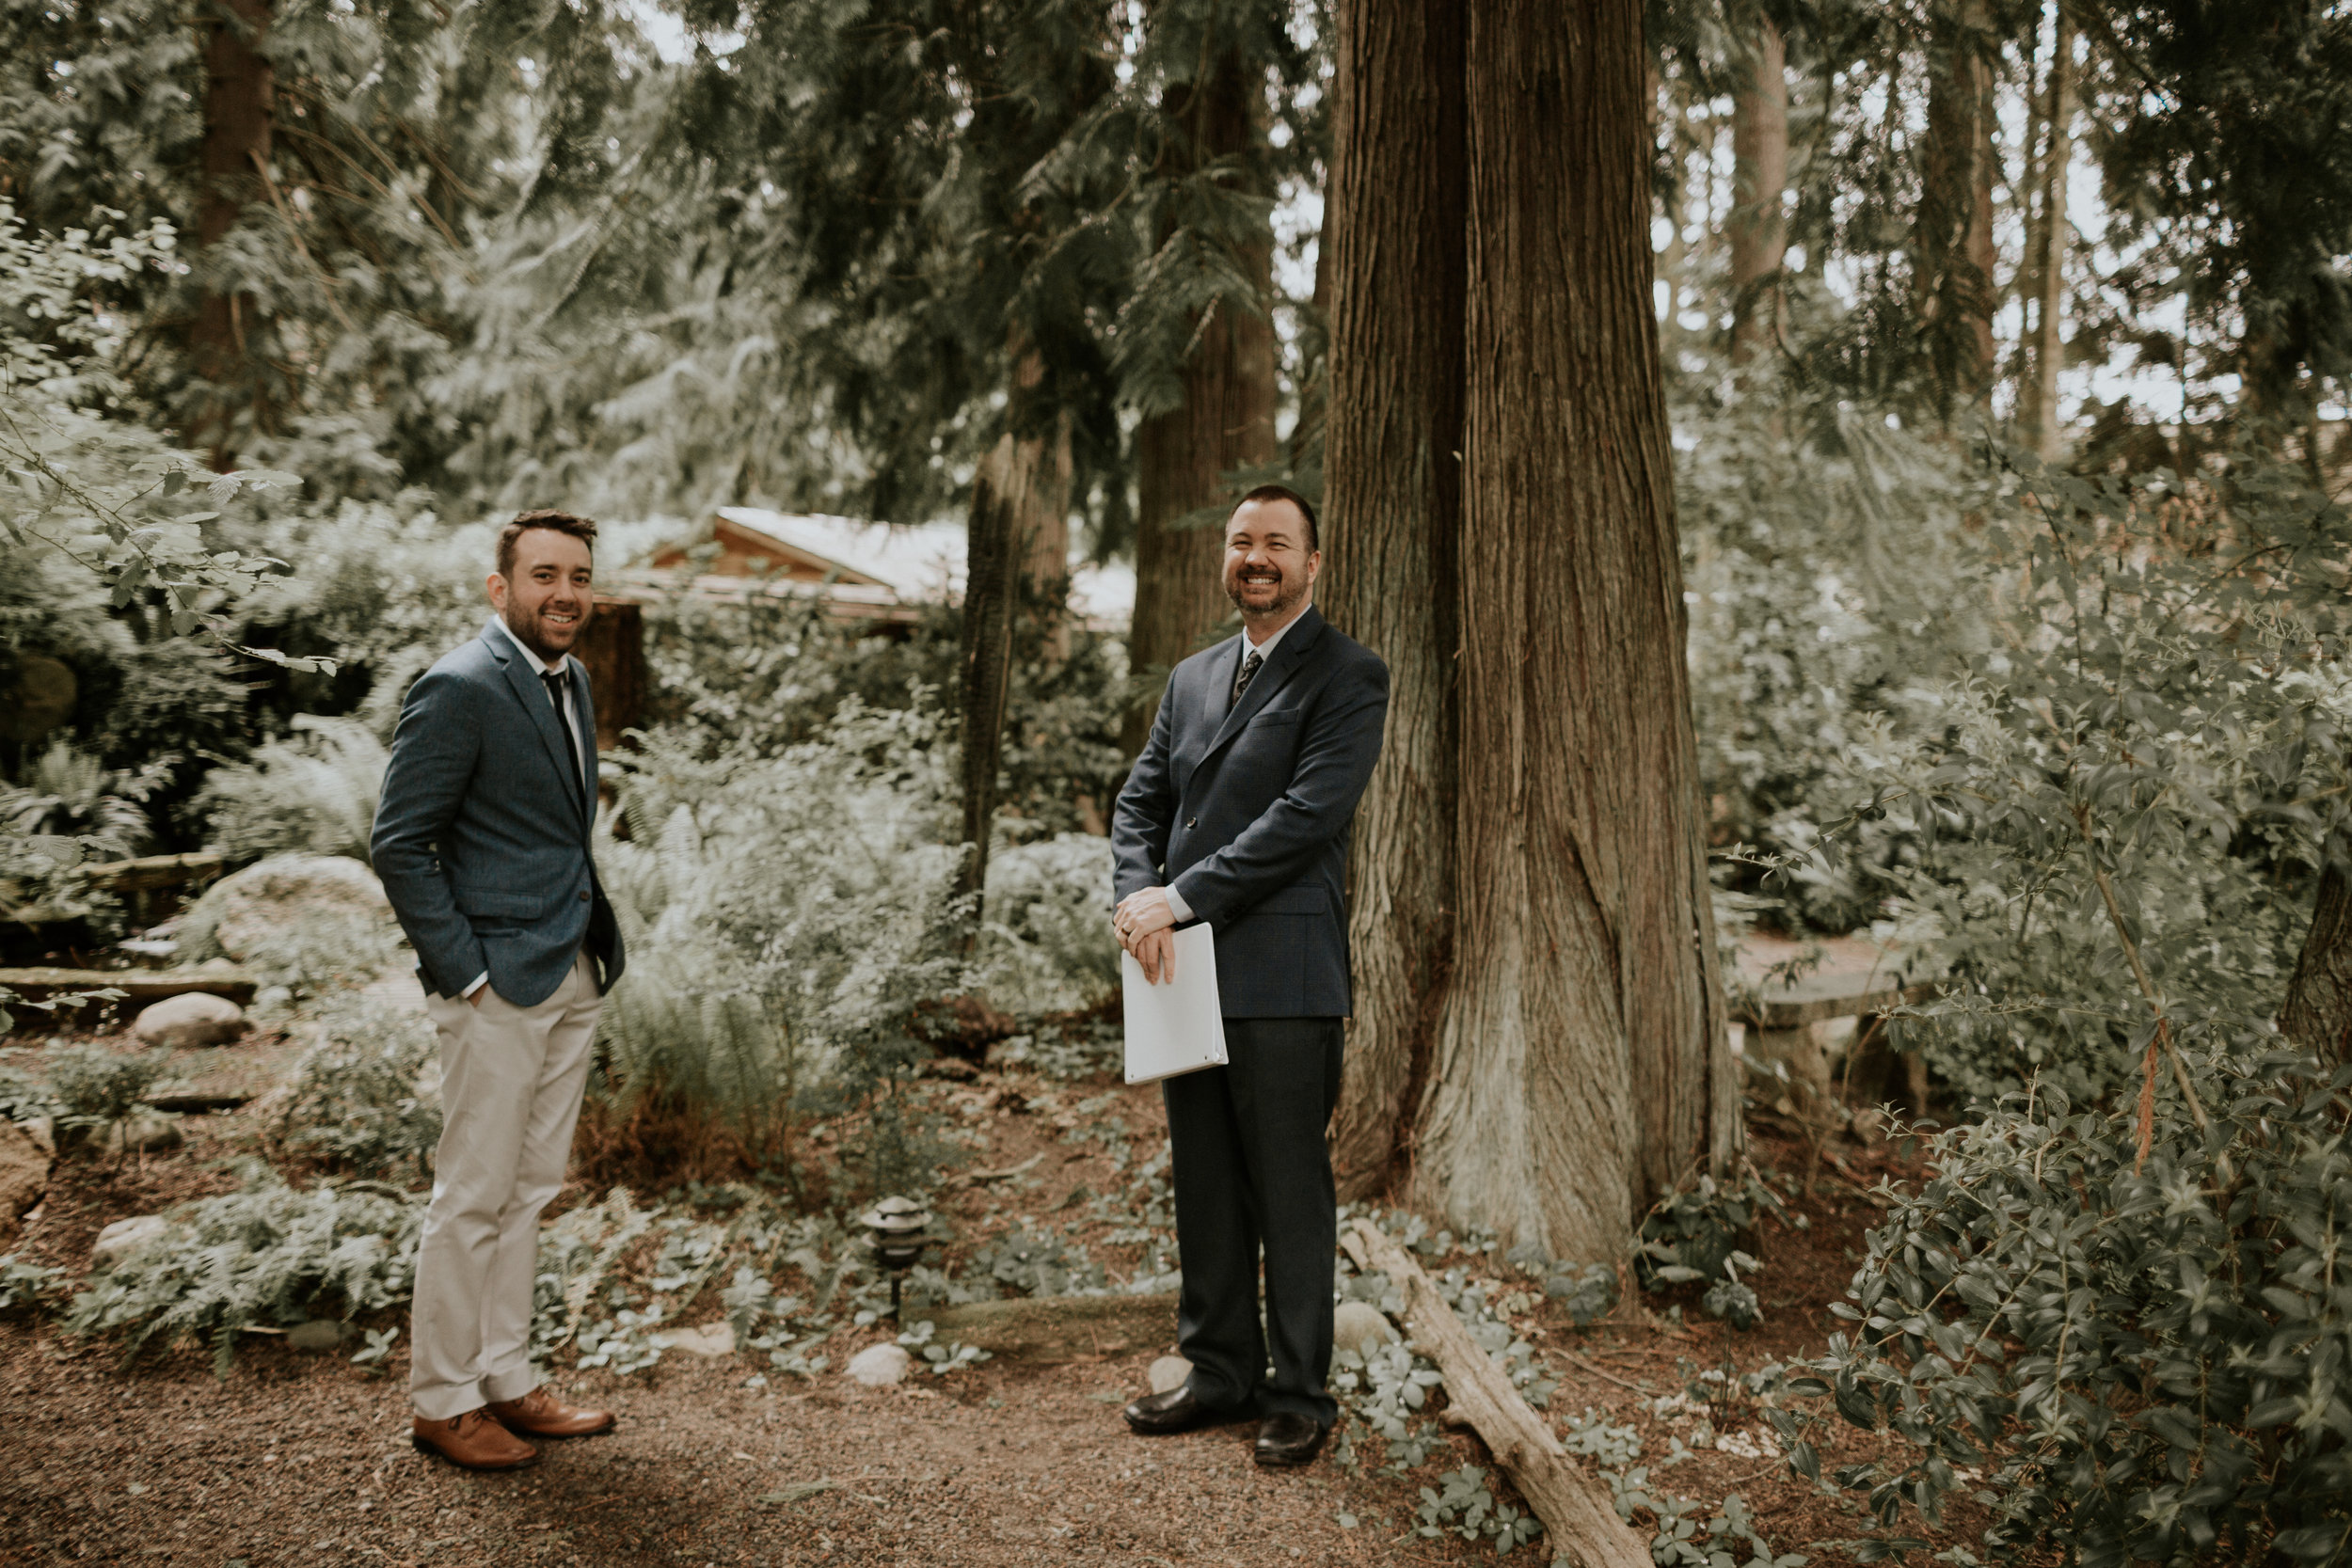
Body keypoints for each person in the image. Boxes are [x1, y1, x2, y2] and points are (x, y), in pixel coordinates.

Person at [1109, 483, 1390, 1468]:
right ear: (1224, 559)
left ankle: (1300, 1393)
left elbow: (1304, 818)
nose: (1255, 557)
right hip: (1178, 968)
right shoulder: (1190, 677)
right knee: (1207, 1180)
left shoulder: (1348, 675)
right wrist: (1137, 893)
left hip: (1282, 966)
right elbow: (1139, 800)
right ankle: (1220, 1368)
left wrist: (1174, 898)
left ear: (1312, 563)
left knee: (1286, 1185)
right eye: (1240, 541)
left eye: (1276, 542)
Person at [372, 509, 627, 1471]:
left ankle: (506, 1377)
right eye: (544, 575)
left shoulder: (574, 679)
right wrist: (466, 972)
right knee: (473, 1190)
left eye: (578, 576)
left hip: (572, 965)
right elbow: (399, 841)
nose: (565, 592)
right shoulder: (461, 684)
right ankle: (441, 1400)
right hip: (495, 985)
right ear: (501, 587)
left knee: (529, 1189)